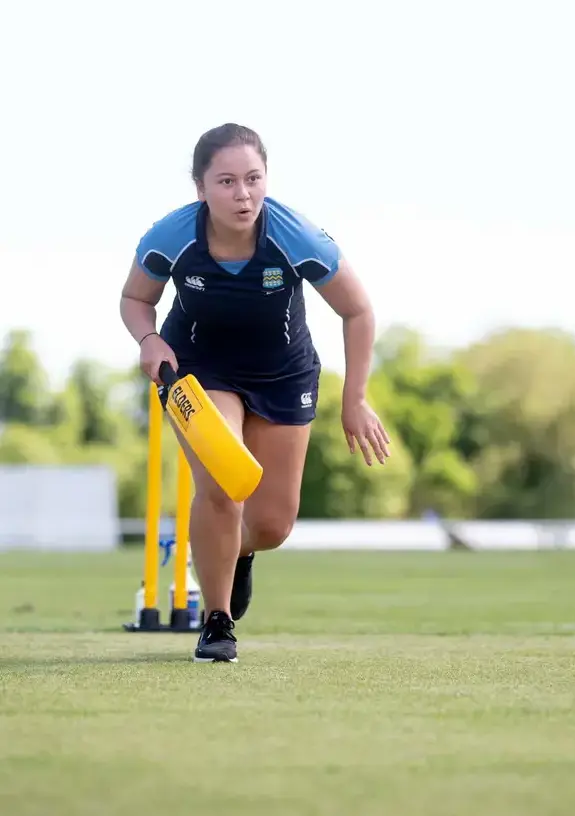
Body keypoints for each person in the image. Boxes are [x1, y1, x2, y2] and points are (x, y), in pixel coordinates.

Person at [120, 123, 390, 663]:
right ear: (201, 188)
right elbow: (134, 298)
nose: (242, 194)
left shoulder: (296, 237)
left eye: (252, 179)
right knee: (222, 482)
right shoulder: (170, 236)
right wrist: (148, 340)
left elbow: (357, 311)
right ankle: (216, 621)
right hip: (198, 367)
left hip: (283, 372)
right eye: (226, 181)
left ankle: (236, 553)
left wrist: (355, 398)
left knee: (271, 524)